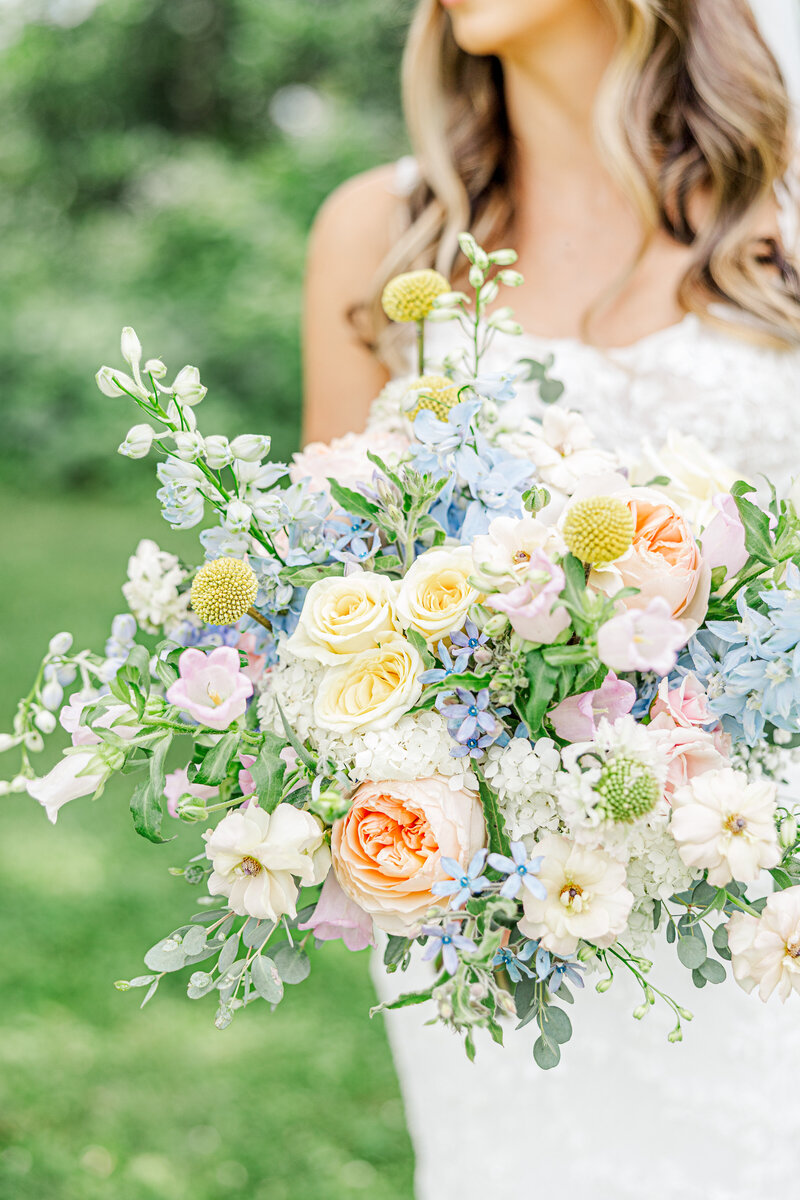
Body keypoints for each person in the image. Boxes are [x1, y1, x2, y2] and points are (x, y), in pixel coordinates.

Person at [303, 2, 800, 1196]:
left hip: (750, 884)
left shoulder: (777, 225)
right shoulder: (380, 231)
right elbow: (326, 588)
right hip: (488, 900)